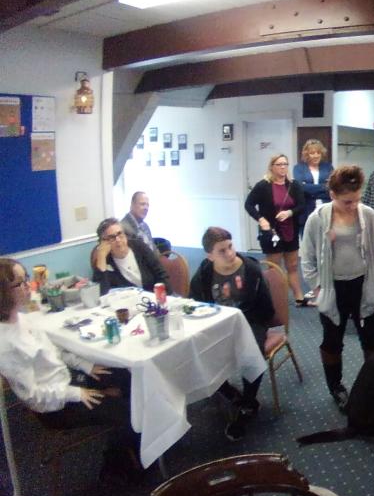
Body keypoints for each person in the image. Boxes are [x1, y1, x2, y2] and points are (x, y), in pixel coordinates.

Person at [0, 258, 140, 482]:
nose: (29, 286)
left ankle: (132, 445)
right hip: (57, 405)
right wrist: (77, 393)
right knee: (127, 411)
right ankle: (115, 467)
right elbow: (33, 397)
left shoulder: (23, 319)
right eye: (20, 283)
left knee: (127, 377)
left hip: (68, 381)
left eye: (27, 279)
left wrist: (87, 366)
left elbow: (53, 352)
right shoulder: (5, 345)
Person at [301, 165, 374, 412]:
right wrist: (317, 287)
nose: (353, 205)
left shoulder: (368, 215)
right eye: (347, 201)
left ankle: (372, 385)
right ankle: (336, 387)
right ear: (332, 195)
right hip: (333, 288)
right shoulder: (317, 219)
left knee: (371, 340)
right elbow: (306, 257)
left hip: (363, 284)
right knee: (332, 341)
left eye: (357, 199)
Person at [189, 227, 273, 441]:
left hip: (250, 319)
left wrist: (246, 322)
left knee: (251, 350)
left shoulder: (251, 270)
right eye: (222, 251)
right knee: (198, 346)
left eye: (230, 247)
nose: (229, 253)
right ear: (209, 255)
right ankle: (224, 388)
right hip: (217, 321)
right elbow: (195, 302)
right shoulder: (205, 273)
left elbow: (266, 308)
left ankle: (248, 402)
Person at [244, 154, 309, 306]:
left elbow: (301, 205)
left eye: (285, 164)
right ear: (271, 167)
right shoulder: (263, 185)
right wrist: (261, 219)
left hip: (290, 231)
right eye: (279, 164)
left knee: (292, 266)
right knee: (274, 268)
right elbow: (249, 204)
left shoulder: (294, 185)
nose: (282, 167)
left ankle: (299, 297)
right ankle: (274, 298)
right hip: (271, 232)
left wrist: (289, 213)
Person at [91, 217, 169, 295]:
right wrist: (101, 257)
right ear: (103, 243)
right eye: (111, 237)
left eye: (120, 233)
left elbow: (162, 275)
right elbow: (101, 294)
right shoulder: (106, 261)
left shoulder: (139, 247)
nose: (118, 240)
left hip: (154, 298)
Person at [292, 139, 333, 234]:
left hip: (326, 209)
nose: (316, 155)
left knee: (326, 242)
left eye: (318, 152)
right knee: (308, 244)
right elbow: (300, 188)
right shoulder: (298, 168)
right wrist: (324, 187)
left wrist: (309, 189)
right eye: (312, 153)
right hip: (306, 211)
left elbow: (332, 186)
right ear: (307, 154)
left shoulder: (328, 167)